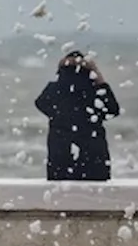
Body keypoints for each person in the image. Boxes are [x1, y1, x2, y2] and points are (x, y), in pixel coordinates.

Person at [34, 50, 121, 181]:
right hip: (93, 152)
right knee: (95, 195)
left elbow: (40, 103)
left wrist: (57, 116)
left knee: (59, 195)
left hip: (60, 151)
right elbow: (113, 110)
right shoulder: (94, 90)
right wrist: (100, 79)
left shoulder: (54, 89)